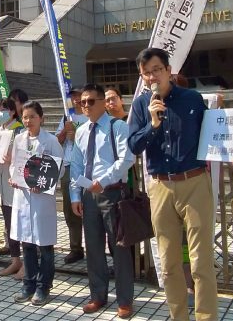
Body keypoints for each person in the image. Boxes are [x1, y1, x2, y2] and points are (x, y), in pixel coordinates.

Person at [127, 47, 218, 321]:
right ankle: (178, 316)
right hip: (161, 187)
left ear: (168, 70)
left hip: (194, 182)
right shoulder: (141, 106)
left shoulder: (192, 99)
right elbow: (134, 145)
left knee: (201, 261)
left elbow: (213, 135)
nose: (152, 77)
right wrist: (152, 125)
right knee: (168, 263)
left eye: (156, 70)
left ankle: (206, 317)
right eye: (146, 73)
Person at [69, 83, 135, 319]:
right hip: (89, 195)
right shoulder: (81, 131)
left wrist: (104, 180)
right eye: (82, 102)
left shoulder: (118, 127)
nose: (85, 106)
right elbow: (76, 165)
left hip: (113, 193)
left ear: (102, 103)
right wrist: (75, 195)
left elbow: (126, 159)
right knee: (93, 247)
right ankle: (97, 295)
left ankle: (125, 300)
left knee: (119, 248)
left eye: (90, 101)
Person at [10, 101, 65, 306]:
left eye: (32, 116)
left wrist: (43, 184)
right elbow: (14, 165)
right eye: (25, 117)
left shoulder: (50, 141)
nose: (28, 121)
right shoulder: (19, 139)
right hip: (23, 197)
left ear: (41, 118)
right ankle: (29, 284)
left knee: (45, 246)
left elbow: (60, 169)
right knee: (27, 245)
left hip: (42, 199)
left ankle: (44, 286)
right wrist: (13, 177)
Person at [55, 87, 88, 264]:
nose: (76, 99)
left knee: (90, 208)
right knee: (70, 209)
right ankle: (75, 248)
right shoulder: (66, 117)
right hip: (68, 167)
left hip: (88, 167)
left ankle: (94, 248)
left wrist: (77, 136)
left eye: (79, 96)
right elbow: (56, 142)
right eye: (73, 96)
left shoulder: (91, 116)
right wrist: (64, 131)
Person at [0, 98, 24, 278]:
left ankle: (26, 262)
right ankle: (15, 260)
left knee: (20, 224)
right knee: (9, 223)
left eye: (3, 110)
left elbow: (27, 155)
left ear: (12, 111)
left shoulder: (19, 130)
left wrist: (13, 159)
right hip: (2, 184)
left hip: (16, 184)